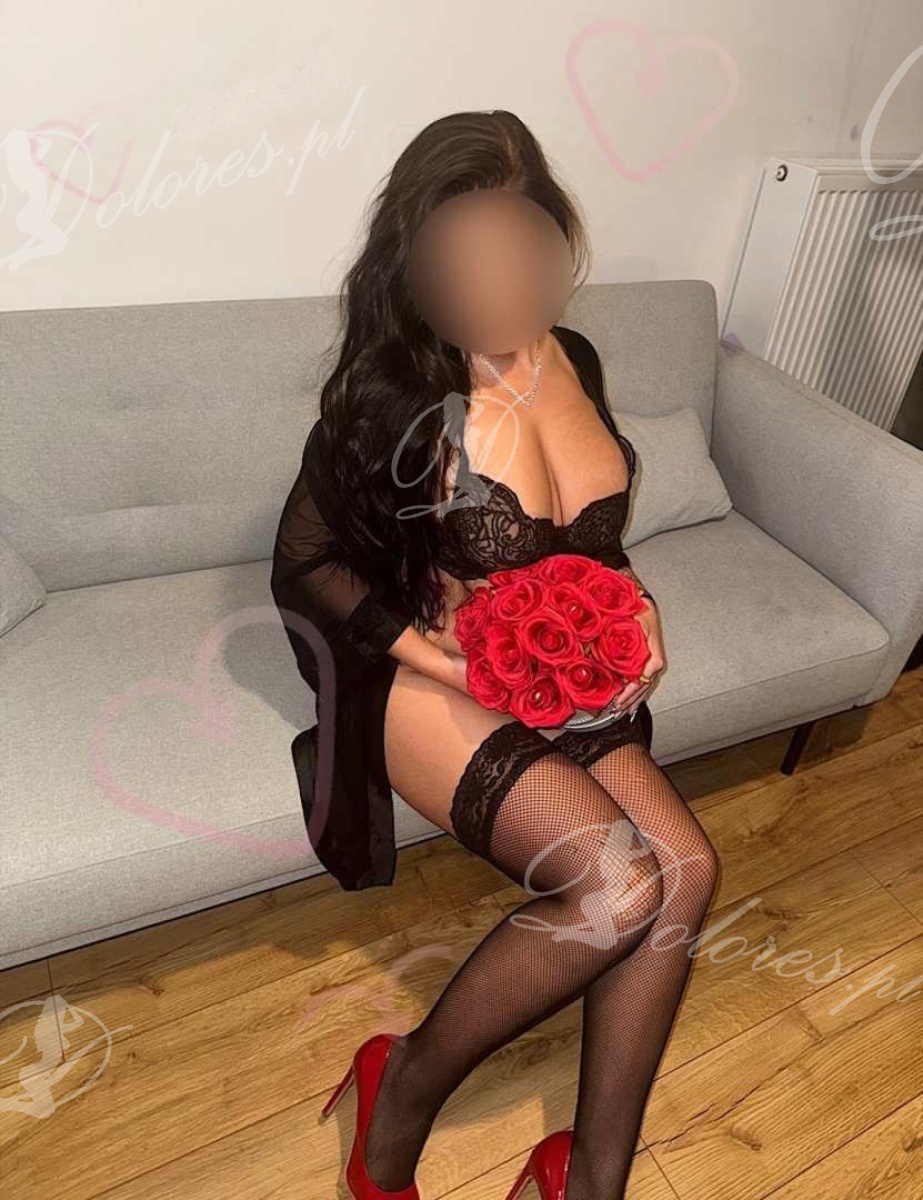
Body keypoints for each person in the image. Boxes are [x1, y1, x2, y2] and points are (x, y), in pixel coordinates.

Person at [271, 110, 720, 1200]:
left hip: (562, 679)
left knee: (689, 873)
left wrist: (635, 606)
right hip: (423, 676)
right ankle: (400, 1084)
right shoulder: (396, 396)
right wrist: (448, 665)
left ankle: (587, 1179)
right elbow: (303, 563)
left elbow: (588, 543)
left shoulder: (575, 357)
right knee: (617, 889)